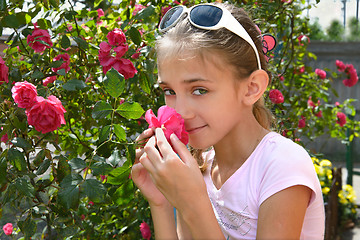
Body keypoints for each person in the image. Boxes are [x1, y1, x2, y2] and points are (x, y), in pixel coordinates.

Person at [131, 2, 325, 239]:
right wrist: (161, 201)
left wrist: (193, 202)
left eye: (199, 90)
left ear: (252, 88)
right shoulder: (200, 162)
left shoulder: (281, 166)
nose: (180, 111)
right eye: (169, 91)